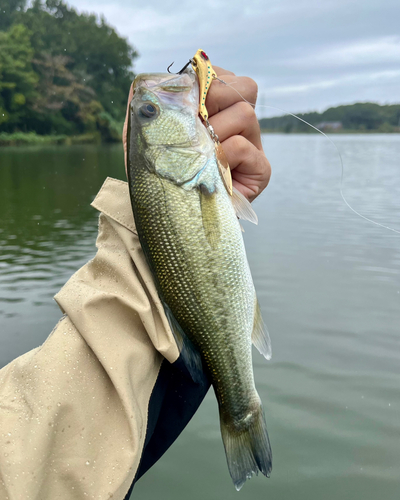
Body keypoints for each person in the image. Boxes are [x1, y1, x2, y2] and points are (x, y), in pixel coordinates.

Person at [0, 66, 271, 500]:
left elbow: (41, 451)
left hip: (187, 223)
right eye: (148, 111)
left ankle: (240, 411)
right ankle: (241, 413)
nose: (149, 107)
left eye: (145, 112)